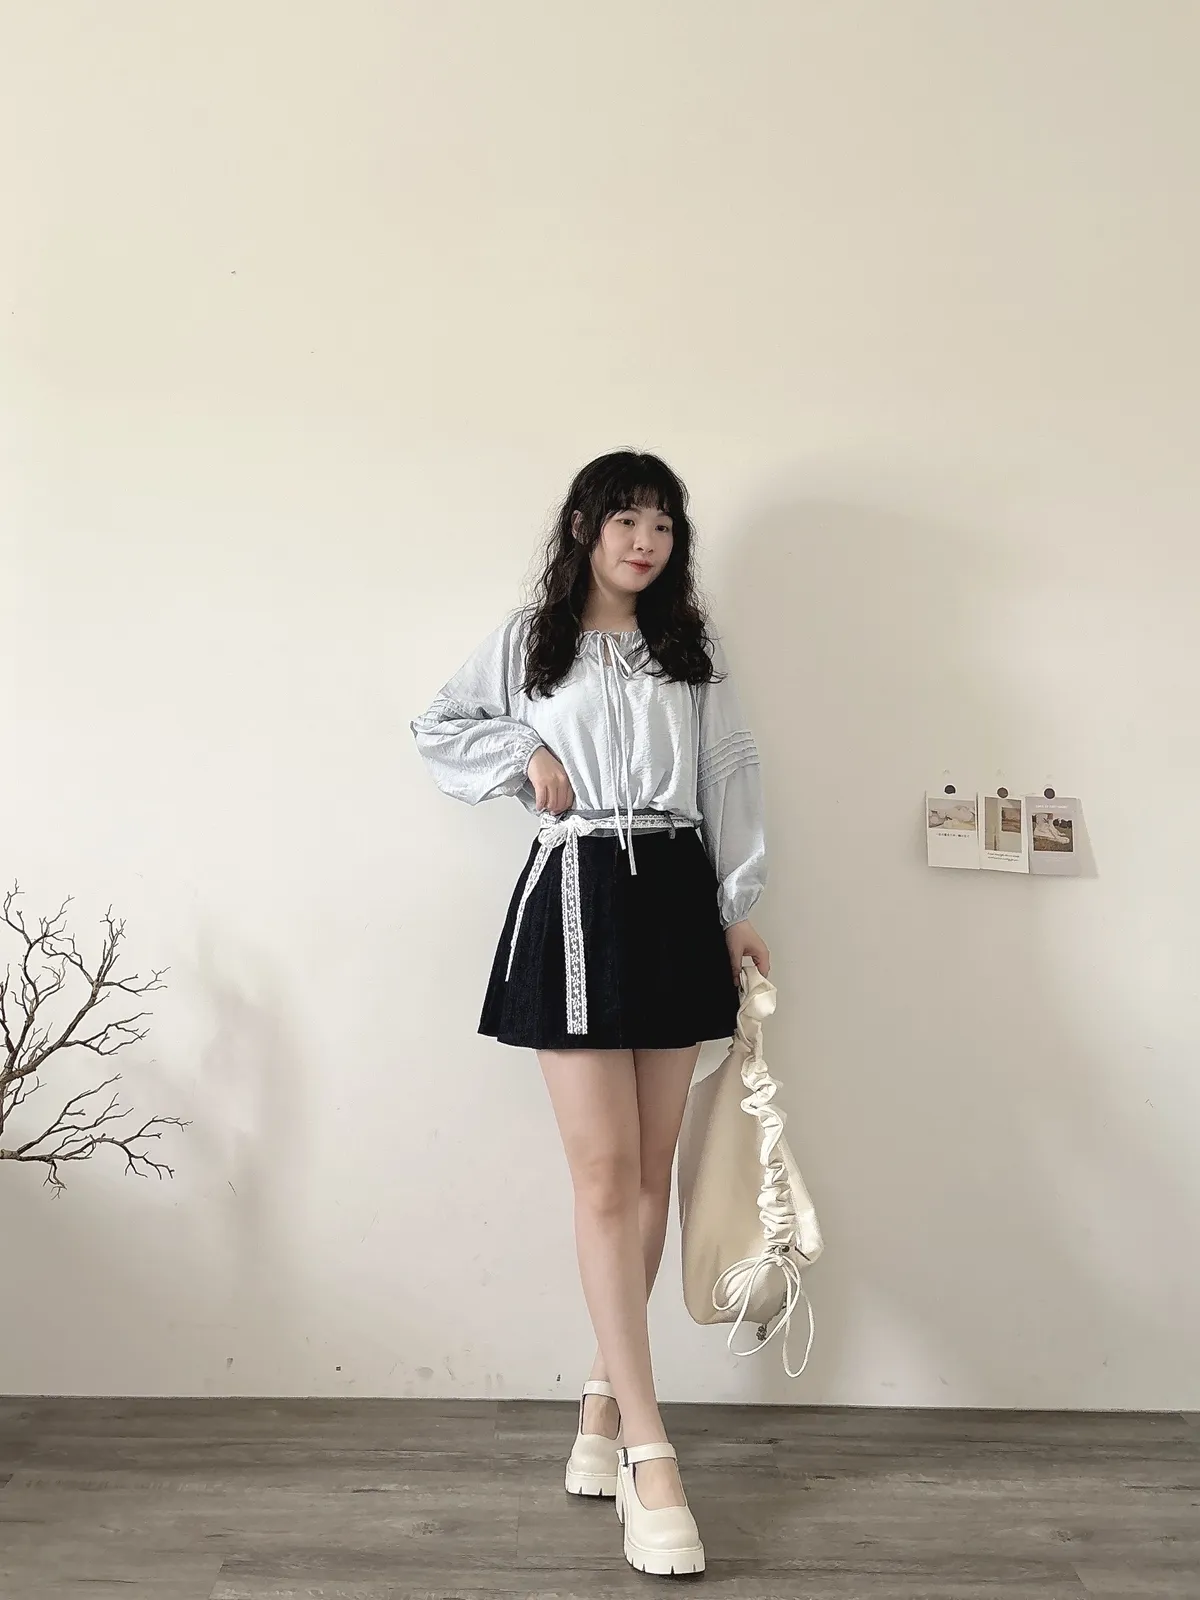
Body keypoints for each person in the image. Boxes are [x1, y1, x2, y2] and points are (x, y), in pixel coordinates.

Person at [410, 449, 769, 1579]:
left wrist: (738, 911)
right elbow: (437, 725)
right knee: (607, 1177)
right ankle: (651, 1452)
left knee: (653, 1171)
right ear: (583, 527)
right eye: (626, 519)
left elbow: (729, 775)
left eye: (663, 524)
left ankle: (606, 1399)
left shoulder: (689, 650)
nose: (645, 541)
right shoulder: (532, 641)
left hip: (675, 895)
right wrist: (524, 748)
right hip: (574, 892)